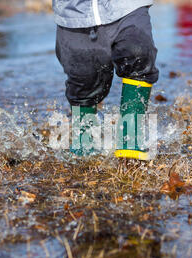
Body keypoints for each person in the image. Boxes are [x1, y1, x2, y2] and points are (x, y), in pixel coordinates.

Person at [53, 0, 159, 160]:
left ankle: (131, 139)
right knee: (84, 79)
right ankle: (84, 145)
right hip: (74, 14)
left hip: (127, 6)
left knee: (139, 53)